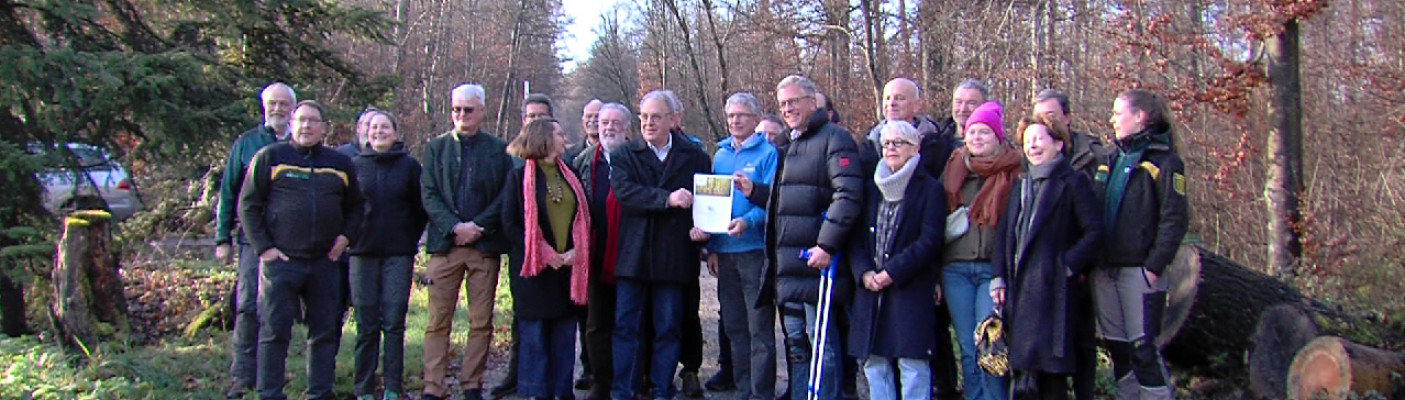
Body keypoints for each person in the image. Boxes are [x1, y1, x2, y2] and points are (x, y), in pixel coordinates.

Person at [238, 100, 364, 400]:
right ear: (292, 124)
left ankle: (319, 392)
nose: (306, 126)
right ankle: (269, 392)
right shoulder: (270, 157)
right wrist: (264, 248)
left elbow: (356, 208)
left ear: (324, 128)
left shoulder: (340, 164)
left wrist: (344, 239)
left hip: (325, 262)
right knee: (274, 331)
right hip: (281, 262)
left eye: (313, 121)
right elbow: (248, 205)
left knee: (323, 332)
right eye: (301, 120)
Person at [753, 75, 862, 400]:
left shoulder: (835, 140)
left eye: (794, 101)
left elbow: (848, 195)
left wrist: (827, 244)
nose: (788, 108)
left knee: (822, 346)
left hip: (817, 267)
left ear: (812, 102)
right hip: (788, 268)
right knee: (797, 345)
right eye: (783, 103)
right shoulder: (787, 146)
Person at [989, 115, 1104, 400]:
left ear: (1059, 144)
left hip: (1054, 296)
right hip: (1019, 295)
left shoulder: (1073, 182)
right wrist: (998, 278)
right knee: (1023, 377)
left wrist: (1066, 265)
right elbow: (1004, 236)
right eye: (1027, 141)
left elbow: (1095, 232)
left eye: (1039, 138)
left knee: (1051, 379)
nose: (1033, 146)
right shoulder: (1021, 184)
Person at [609, 90, 712, 400]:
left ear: (673, 119)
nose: (648, 123)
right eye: (643, 117)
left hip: (674, 256)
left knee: (668, 328)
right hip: (634, 256)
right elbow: (625, 192)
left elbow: (707, 202)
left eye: (656, 117)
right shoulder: (625, 154)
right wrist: (667, 199)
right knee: (627, 327)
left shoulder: (695, 156)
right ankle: (624, 391)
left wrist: (705, 230)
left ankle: (661, 389)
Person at [420, 83, 515, 400]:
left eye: (468, 109)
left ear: (482, 111)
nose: (462, 115)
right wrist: (454, 226)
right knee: (437, 322)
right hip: (445, 247)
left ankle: (471, 383)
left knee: (480, 321)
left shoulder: (498, 149)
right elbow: (429, 194)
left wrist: (478, 227)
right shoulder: (435, 148)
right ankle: (433, 386)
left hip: (483, 247)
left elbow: (505, 196)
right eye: (456, 109)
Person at [1093, 89, 1188, 400]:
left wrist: (1154, 266)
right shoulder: (1109, 158)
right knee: (1119, 351)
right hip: (1106, 271)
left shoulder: (1165, 161)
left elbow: (1174, 219)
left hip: (1141, 272)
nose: (1112, 120)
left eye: (1118, 113)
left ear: (1140, 117)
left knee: (1143, 349)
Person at [847, 121, 948, 400]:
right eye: (886, 143)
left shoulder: (930, 190)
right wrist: (864, 271)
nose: (890, 148)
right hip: (870, 288)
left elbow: (929, 241)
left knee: (912, 363)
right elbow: (855, 238)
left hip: (910, 286)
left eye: (898, 143)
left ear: (915, 148)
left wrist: (891, 272)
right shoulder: (870, 188)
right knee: (875, 362)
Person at [501, 118, 593, 400]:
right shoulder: (518, 178)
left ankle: (561, 393)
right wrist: (544, 252)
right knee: (535, 340)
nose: (564, 138)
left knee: (564, 339)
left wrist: (579, 250)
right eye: (559, 133)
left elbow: (585, 218)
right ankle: (535, 394)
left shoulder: (571, 174)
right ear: (543, 138)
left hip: (567, 271)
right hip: (534, 273)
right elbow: (510, 224)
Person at [216, 81, 295, 399]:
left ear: (292, 108)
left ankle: (272, 374)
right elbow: (228, 192)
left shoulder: (300, 145)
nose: (277, 109)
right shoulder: (247, 144)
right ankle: (242, 375)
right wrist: (223, 237)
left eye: (283, 104)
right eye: (272, 104)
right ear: (264, 107)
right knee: (248, 306)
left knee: (278, 309)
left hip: (291, 242)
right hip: (253, 241)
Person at [702, 92, 779, 400]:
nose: (735, 120)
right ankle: (743, 388)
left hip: (754, 251)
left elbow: (774, 201)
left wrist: (748, 222)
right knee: (734, 325)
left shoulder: (768, 153)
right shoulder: (719, 155)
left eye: (742, 115)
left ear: (755, 119)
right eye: (731, 115)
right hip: (726, 252)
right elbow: (711, 204)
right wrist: (712, 246)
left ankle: (761, 393)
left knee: (759, 328)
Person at [941, 101, 1018, 400]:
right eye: (972, 131)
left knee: (990, 345)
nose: (977, 138)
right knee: (967, 347)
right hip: (955, 269)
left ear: (998, 136)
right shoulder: (954, 168)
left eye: (984, 132)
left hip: (992, 271)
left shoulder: (1013, 172)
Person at [1030, 88, 1104, 400]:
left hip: (1080, 266)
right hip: (1042, 274)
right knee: (1048, 349)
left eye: (1051, 115)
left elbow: (1097, 223)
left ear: (1067, 119)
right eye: (1039, 117)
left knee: (1082, 341)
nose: (1044, 123)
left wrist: (1073, 263)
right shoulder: (1030, 164)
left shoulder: (1094, 156)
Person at [349, 110, 428, 400]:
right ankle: (364, 388)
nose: (378, 132)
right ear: (365, 133)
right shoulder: (354, 165)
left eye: (384, 127)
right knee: (366, 323)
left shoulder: (409, 166)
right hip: (361, 253)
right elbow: (346, 208)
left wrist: (409, 237)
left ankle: (393, 388)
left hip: (398, 254)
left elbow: (420, 209)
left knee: (394, 321)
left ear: (395, 133)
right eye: (373, 127)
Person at [571, 102, 633, 400]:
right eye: (603, 122)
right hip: (594, 253)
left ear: (627, 129)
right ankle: (600, 379)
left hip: (631, 254)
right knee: (596, 323)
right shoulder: (582, 161)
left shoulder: (638, 160)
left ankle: (631, 379)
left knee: (629, 321)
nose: (607, 128)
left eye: (615, 123)